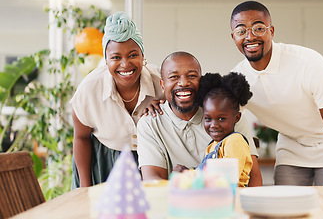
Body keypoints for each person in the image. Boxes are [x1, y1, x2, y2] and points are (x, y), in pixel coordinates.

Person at [229, 1, 323, 194]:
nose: (250, 36)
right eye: (241, 30)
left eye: (258, 28)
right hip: (291, 147)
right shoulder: (238, 78)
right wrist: (166, 99)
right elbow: (217, 116)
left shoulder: (308, 63)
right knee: (285, 210)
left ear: (271, 31)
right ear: (233, 37)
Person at [137, 51, 263, 186]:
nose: (184, 82)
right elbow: (153, 181)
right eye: (174, 76)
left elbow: (252, 177)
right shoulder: (150, 122)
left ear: (201, 81)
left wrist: (188, 177)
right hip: (178, 202)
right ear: (162, 85)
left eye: (192, 76)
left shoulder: (228, 117)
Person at [71, 11, 164, 188]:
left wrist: (168, 105)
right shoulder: (89, 89)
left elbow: (186, 107)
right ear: (106, 60)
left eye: (133, 55)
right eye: (115, 57)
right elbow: (81, 138)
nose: (125, 64)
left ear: (143, 56)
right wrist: (84, 187)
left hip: (152, 162)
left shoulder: (161, 80)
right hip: (104, 163)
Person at [191, 72, 253, 187]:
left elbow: (225, 179)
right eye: (208, 118)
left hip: (231, 198)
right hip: (216, 197)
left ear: (237, 118)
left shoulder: (235, 141)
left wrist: (192, 177)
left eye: (221, 118)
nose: (214, 125)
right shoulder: (212, 145)